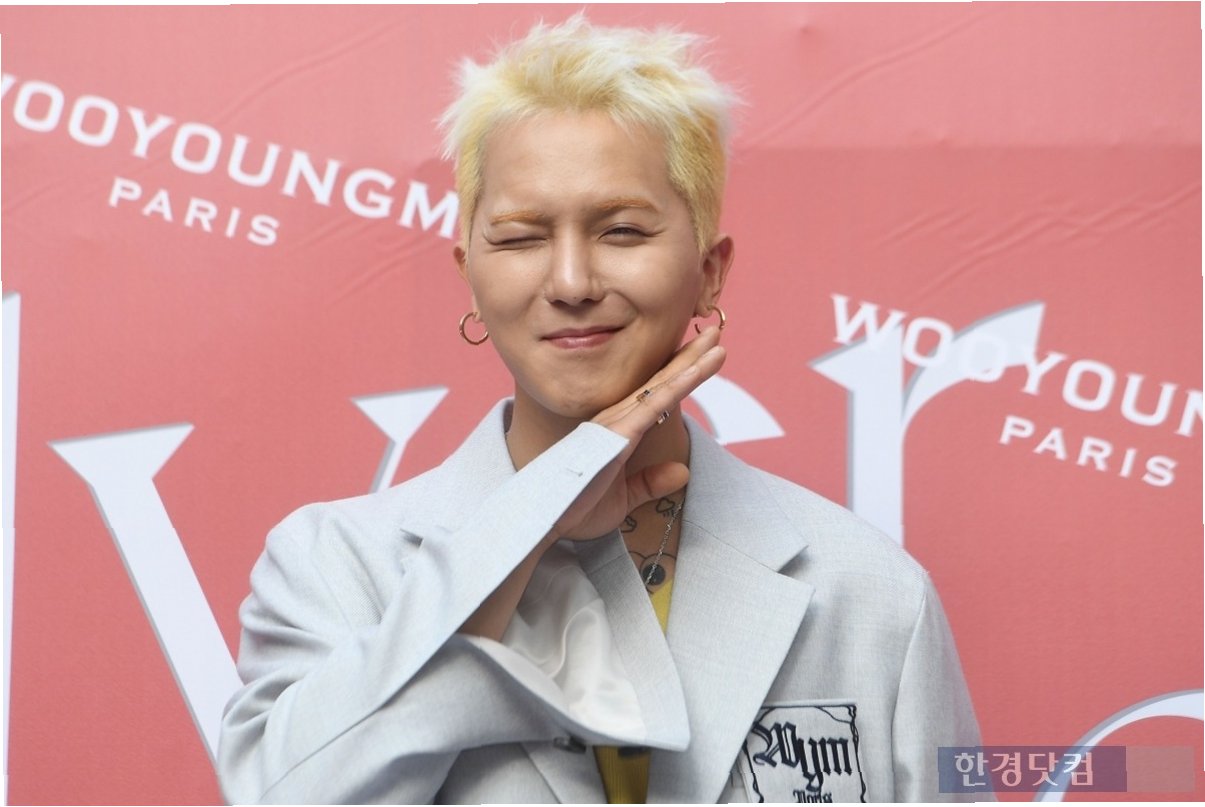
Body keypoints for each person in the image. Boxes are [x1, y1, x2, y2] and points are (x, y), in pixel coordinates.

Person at [217, 14, 982, 804]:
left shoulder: (871, 592)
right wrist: (523, 526)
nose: (571, 281)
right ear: (469, 273)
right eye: (520, 238)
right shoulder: (333, 565)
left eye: (620, 230)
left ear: (709, 271)